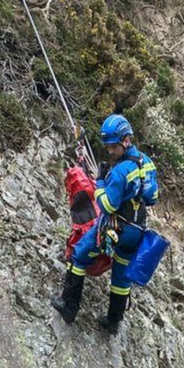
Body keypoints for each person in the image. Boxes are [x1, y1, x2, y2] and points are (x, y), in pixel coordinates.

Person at [51, 114, 158, 335]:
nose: (110, 151)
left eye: (113, 146)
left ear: (126, 140)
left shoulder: (120, 172)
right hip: (137, 230)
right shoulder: (147, 163)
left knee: (79, 255)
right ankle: (113, 322)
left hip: (114, 226)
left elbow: (108, 205)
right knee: (121, 276)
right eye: (107, 146)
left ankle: (69, 307)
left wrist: (100, 182)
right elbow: (153, 197)